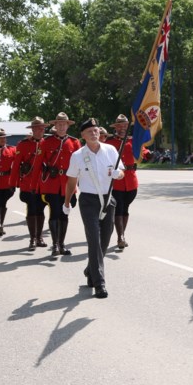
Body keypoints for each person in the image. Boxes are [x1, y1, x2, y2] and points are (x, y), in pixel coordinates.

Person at [64, 118, 124, 299]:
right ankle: (99, 284)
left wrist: (117, 174)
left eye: (96, 130)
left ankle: (91, 269)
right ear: (83, 135)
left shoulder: (111, 150)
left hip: (108, 199)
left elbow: (121, 172)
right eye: (89, 131)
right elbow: (72, 181)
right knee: (94, 240)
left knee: (105, 239)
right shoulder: (77, 156)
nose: (94, 132)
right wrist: (67, 202)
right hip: (88, 201)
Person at [39, 112, 81, 257]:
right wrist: (36, 185)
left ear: (68, 126)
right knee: (54, 213)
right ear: (55, 126)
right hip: (51, 183)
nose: (62, 126)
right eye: (59, 124)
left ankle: (62, 244)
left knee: (64, 214)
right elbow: (39, 164)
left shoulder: (75, 143)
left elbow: (80, 166)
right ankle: (55, 244)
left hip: (68, 184)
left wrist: (79, 187)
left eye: (64, 124)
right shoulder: (46, 142)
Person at [12, 117, 48, 250]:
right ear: (32, 129)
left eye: (43, 128)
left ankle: (39, 237)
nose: (41, 130)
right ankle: (32, 238)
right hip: (28, 183)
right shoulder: (23, 144)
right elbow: (16, 165)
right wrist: (13, 183)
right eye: (38, 128)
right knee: (32, 210)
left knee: (41, 210)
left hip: (44, 183)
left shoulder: (47, 143)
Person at [105, 114, 138, 249]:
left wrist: (148, 154)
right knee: (118, 208)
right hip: (117, 181)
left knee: (125, 208)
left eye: (125, 125)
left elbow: (142, 151)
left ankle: (122, 234)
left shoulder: (134, 141)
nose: (122, 128)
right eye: (120, 126)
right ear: (116, 127)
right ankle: (121, 237)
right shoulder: (109, 142)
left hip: (131, 180)